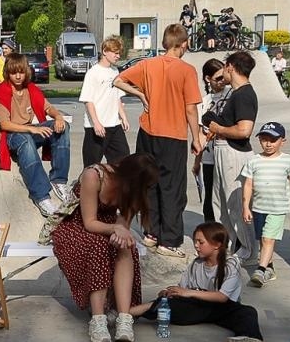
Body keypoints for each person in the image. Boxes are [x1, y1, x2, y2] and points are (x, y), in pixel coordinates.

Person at [51, 153, 160, 342]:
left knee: (127, 247)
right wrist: (114, 229)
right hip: (76, 226)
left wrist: (120, 232)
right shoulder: (94, 176)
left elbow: (123, 220)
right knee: (99, 246)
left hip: (109, 226)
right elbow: (89, 222)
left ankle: (124, 318)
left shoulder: (134, 190)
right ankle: (98, 319)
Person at [115, 24, 202, 258]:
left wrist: (140, 94)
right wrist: (197, 136)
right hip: (173, 135)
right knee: (172, 188)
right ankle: (170, 240)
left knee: (149, 183)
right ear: (183, 44)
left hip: (148, 132)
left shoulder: (147, 65)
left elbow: (118, 80)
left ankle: (151, 234)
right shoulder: (186, 70)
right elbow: (191, 109)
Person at [132, 222, 264, 342]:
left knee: (248, 312)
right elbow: (182, 290)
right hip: (198, 307)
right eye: (195, 241)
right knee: (165, 303)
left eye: (201, 242)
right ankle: (125, 314)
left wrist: (188, 293)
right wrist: (170, 293)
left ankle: (248, 339)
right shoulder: (196, 264)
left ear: (217, 245)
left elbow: (222, 297)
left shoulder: (231, 264)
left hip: (225, 308)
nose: (196, 245)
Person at [0, 53, 72, 219]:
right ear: (7, 73)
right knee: (26, 140)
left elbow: (48, 108)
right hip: (9, 136)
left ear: (27, 72)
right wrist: (32, 130)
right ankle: (41, 196)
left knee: (62, 128)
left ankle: (59, 180)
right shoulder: (0, 93)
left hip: (27, 130)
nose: (18, 76)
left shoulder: (30, 89)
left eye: (21, 72)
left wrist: (58, 117)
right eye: (13, 73)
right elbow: (4, 124)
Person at [241, 122, 290, 286]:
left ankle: (260, 271)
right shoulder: (254, 161)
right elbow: (248, 184)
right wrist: (246, 206)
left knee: (268, 239)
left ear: (283, 141)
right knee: (262, 239)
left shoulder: (287, 160)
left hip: (277, 209)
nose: (268, 144)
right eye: (264, 139)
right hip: (258, 207)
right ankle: (269, 267)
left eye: (273, 140)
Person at [201, 50, 258, 261]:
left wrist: (218, 127)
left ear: (231, 68)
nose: (223, 71)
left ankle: (248, 249)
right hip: (222, 151)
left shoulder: (244, 94)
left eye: (225, 67)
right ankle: (228, 246)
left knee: (236, 204)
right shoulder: (236, 93)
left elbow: (244, 130)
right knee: (220, 203)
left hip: (235, 153)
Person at [78, 36, 131, 167]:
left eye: (119, 53)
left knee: (123, 161)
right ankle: (85, 187)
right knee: (92, 166)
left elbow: (117, 96)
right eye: (115, 53)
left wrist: (123, 117)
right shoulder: (93, 73)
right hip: (97, 127)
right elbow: (88, 100)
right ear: (105, 51)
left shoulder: (115, 71)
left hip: (114, 124)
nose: (118, 56)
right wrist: (96, 123)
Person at [194, 59, 228, 223]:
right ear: (208, 79)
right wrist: (197, 160)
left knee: (225, 194)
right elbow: (201, 133)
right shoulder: (205, 101)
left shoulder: (231, 95)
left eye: (224, 77)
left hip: (227, 152)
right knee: (209, 195)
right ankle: (210, 229)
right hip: (209, 156)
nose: (222, 82)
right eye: (218, 78)